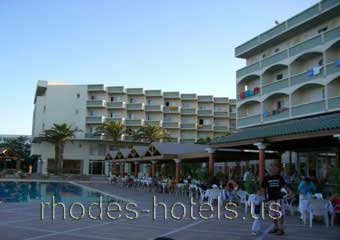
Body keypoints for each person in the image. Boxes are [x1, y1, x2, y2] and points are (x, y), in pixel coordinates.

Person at [261, 165, 288, 236]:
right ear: (269, 170)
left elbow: (284, 185)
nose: (273, 170)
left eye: (274, 169)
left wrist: (285, 191)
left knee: (280, 214)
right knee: (273, 214)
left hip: (279, 198)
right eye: (272, 169)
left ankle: (281, 228)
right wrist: (263, 198)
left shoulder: (279, 177)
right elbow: (263, 188)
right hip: (271, 198)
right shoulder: (266, 178)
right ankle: (275, 227)